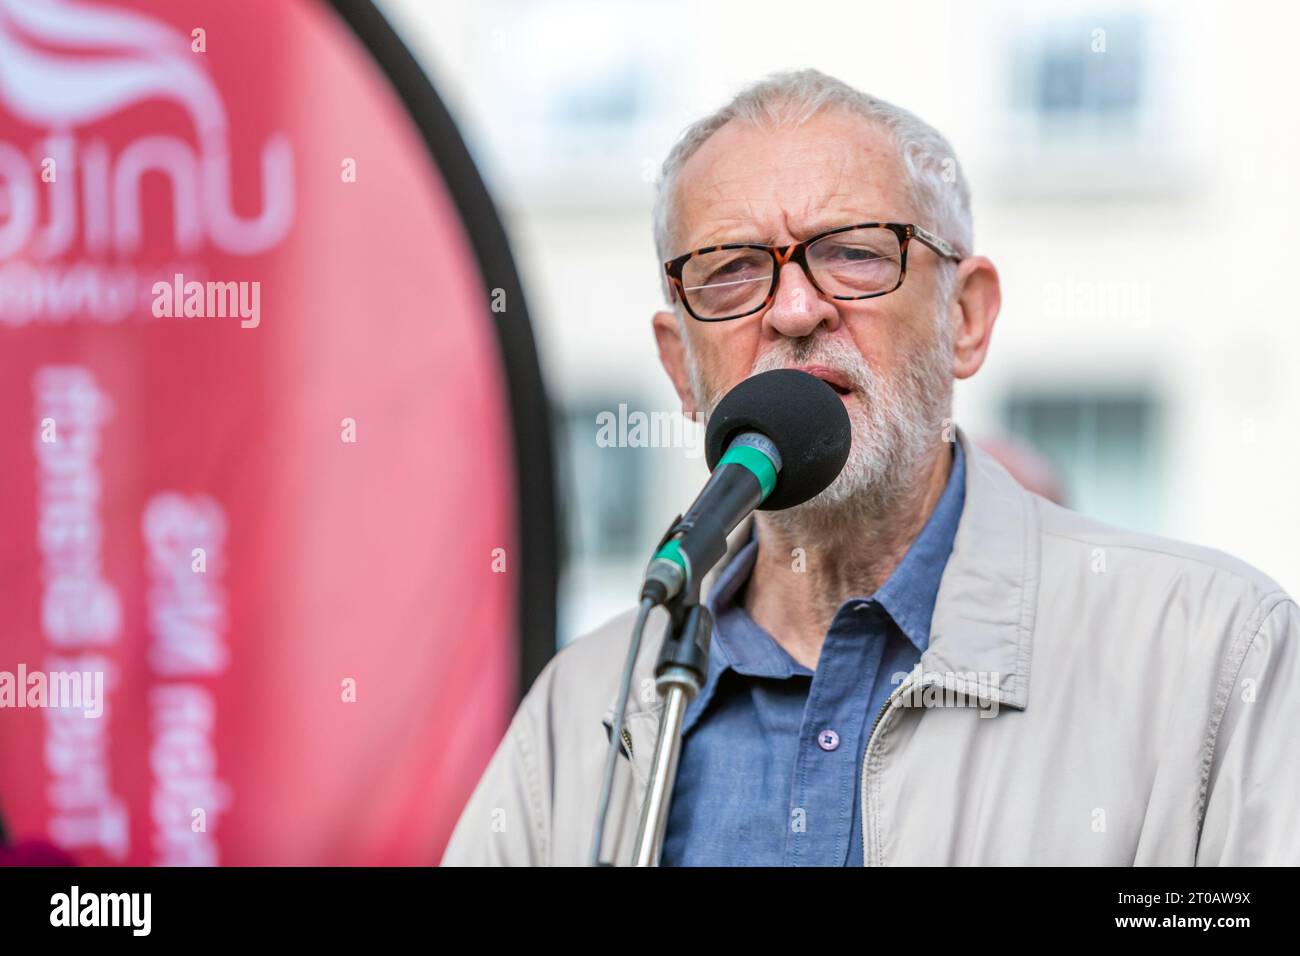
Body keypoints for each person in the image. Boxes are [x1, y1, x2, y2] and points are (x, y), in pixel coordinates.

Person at [441, 68, 1299, 866]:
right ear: (680, 367)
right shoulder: (579, 711)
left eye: (854, 251)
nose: (796, 308)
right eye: (732, 272)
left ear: (965, 317)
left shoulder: (1214, 654)